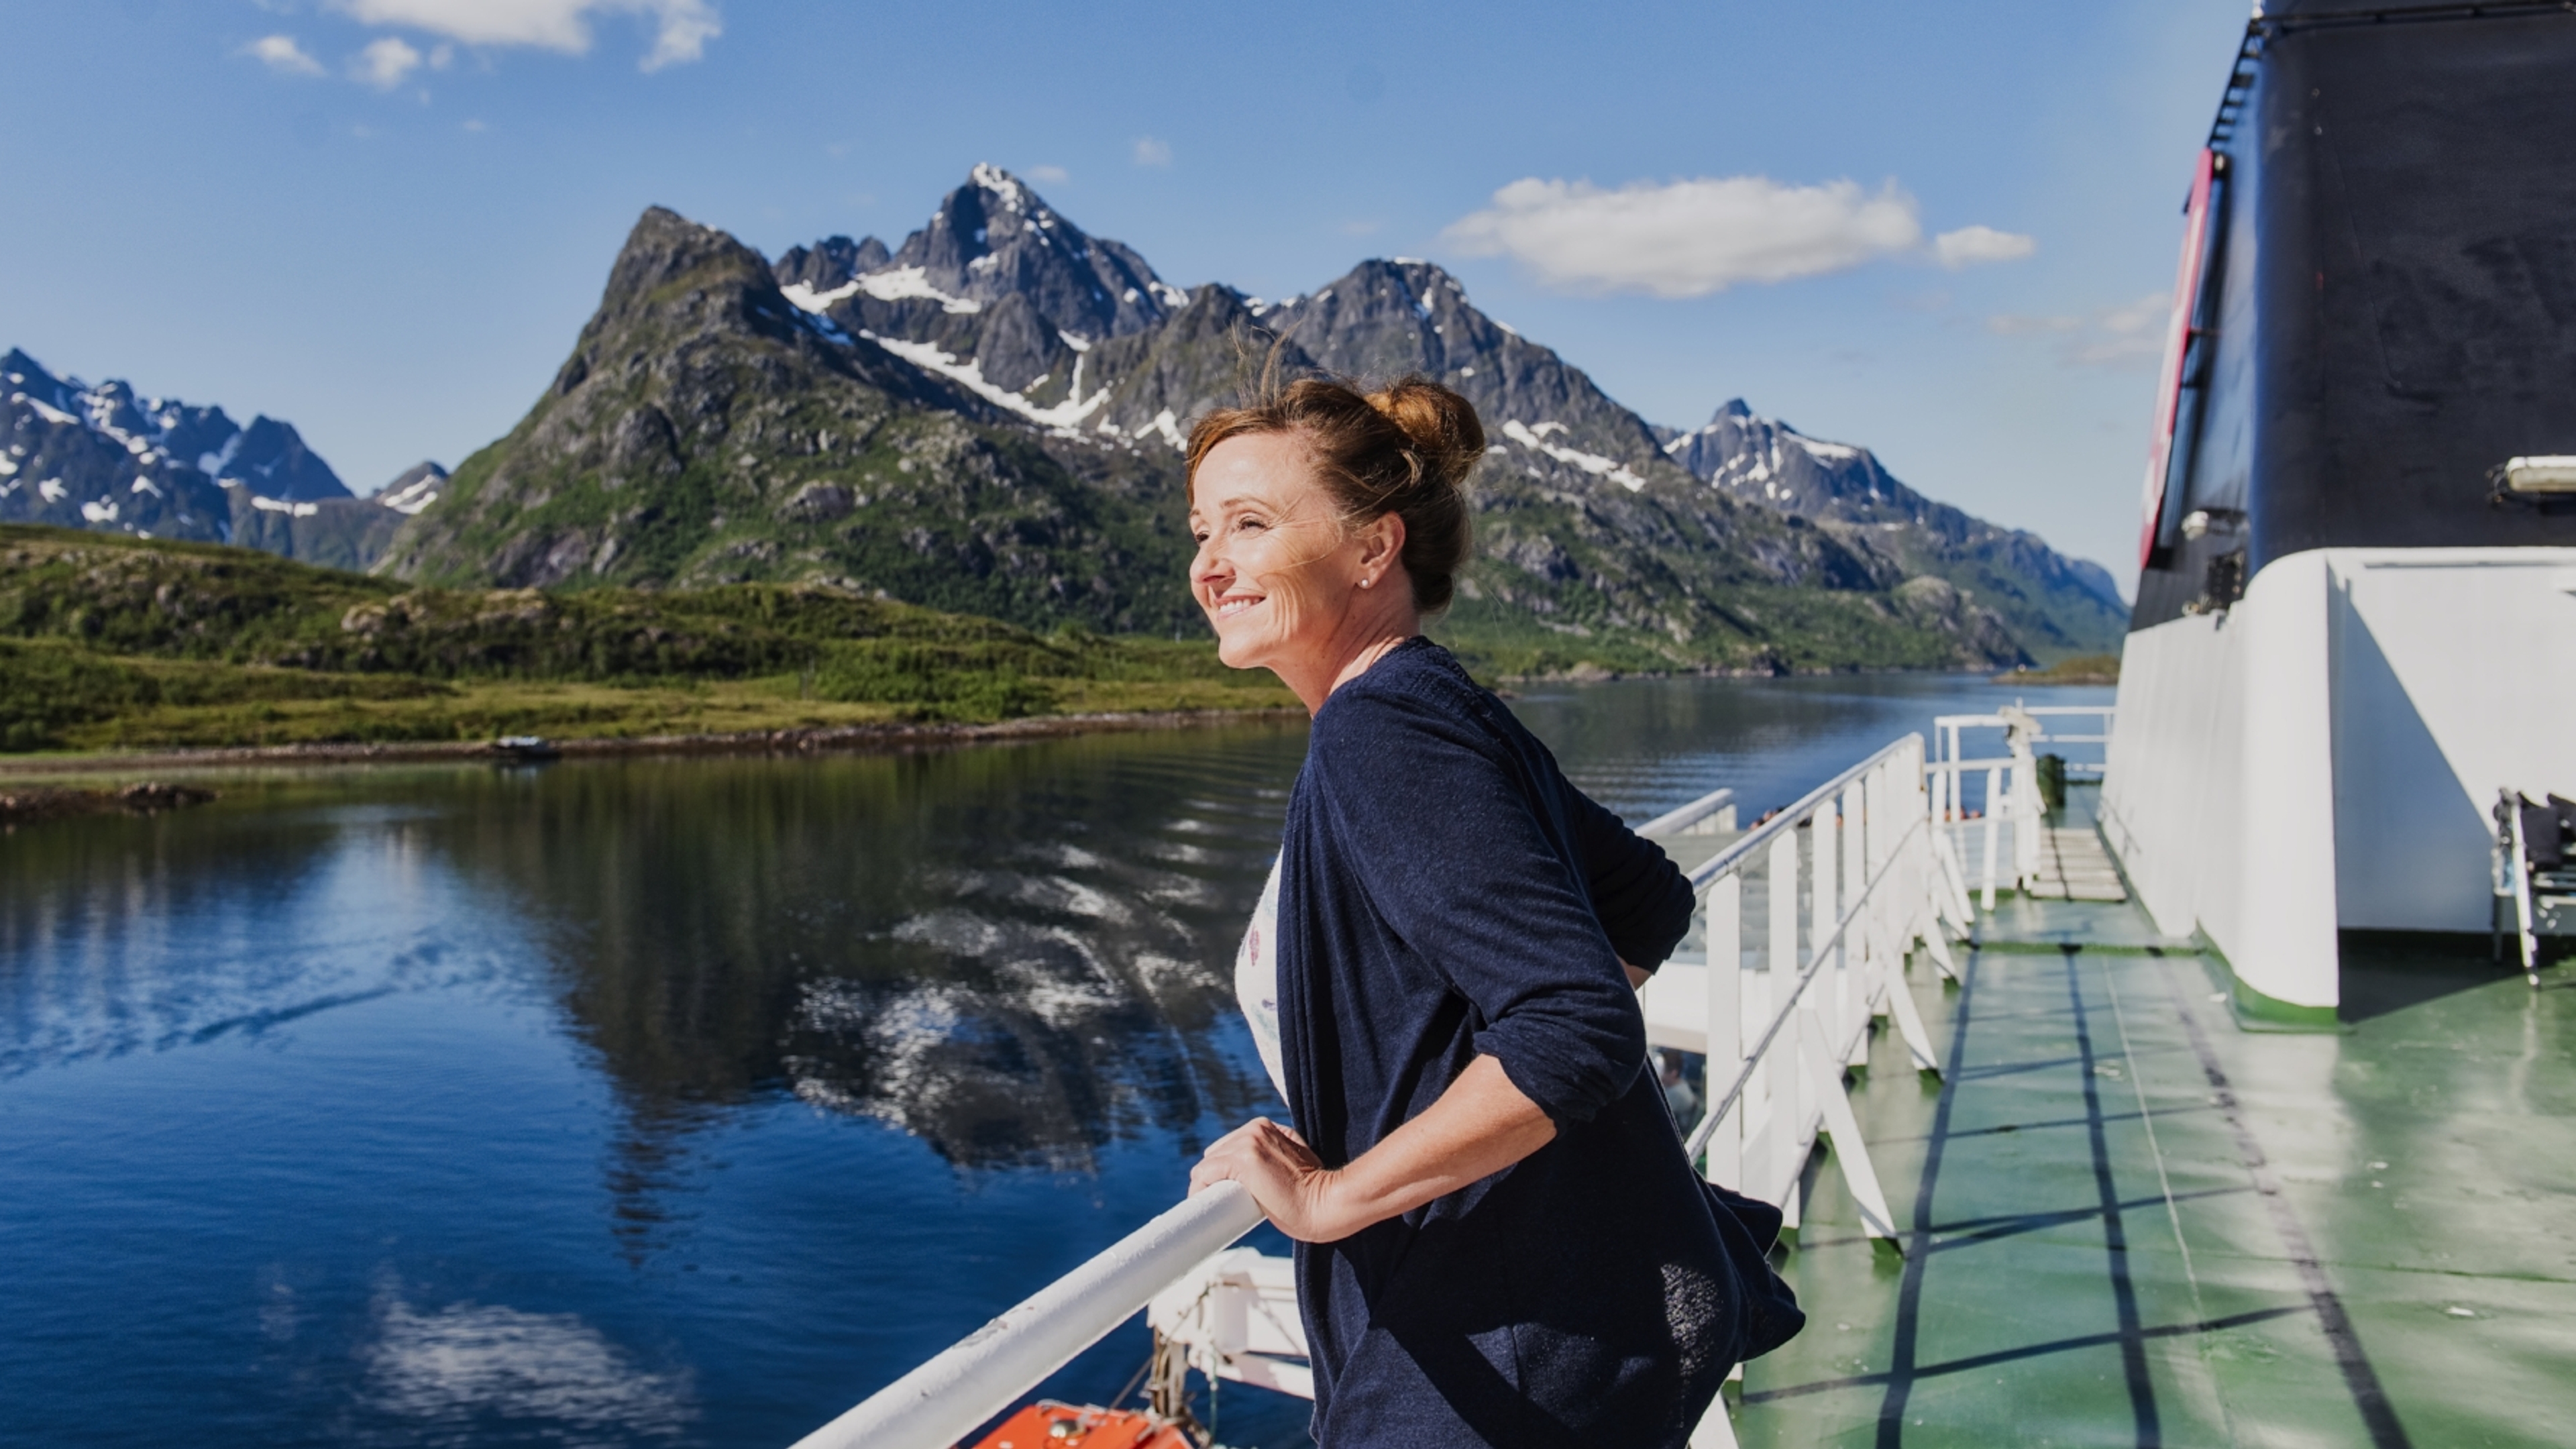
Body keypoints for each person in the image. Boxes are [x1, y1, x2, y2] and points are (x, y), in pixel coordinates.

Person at [1184, 374, 1803, 1447]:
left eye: (1250, 525)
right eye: (1201, 530)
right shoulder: (1432, 701)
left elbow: (1574, 1022)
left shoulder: (1381, 733)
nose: (1209, 565)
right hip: (1574, 1306)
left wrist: (1337, 1198)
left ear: (1375, 550)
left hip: (1507, 1341)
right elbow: (1646, 900)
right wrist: (1487, 1091)